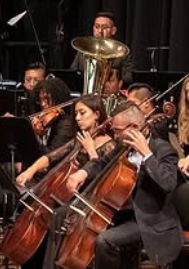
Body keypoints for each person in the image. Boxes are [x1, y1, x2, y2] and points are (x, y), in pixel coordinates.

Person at [59, 101, 182, 269]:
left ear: (134, 127)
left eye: (117, 130)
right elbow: (102, 162)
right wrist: (83, 173)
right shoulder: (123, 146)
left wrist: (146, 154)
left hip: (148, 220)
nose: (115, 135)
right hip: (120, 214)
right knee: (62, 215)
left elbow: (168, 183)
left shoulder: (163, 149)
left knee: (104, 241)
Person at [13, 94, 119, 269]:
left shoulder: (110, 145)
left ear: (97, 114)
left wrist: (92, 151)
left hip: (88, 199)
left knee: (57, 216)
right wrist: (29, 171)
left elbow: (102, 178)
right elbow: (52, 156)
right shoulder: (80, 140)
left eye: (82, 113)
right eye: (76, 114)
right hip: (68, 195)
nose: (77, 118)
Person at [69, 11, 133, 85]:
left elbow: (128, 78)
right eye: (97, 27)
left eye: (105, 27)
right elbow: (72, 74)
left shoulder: (122, 52)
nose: (100, 31)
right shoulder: (83, 50)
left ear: (113, 31)